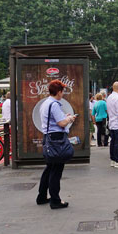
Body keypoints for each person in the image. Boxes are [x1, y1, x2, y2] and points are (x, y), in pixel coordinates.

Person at [36, 79, 76, 210]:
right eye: (62, 91)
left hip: (48, 137)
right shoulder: (54, 104)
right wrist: (69, 118)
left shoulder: (46, 103)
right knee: (56, 169)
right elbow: (61, 123)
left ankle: (42, 196)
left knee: (49, 168)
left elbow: (56, 119)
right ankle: (55, 200)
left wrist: (64, 116)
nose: (63, 94)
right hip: (56, 139)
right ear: (58, 92)